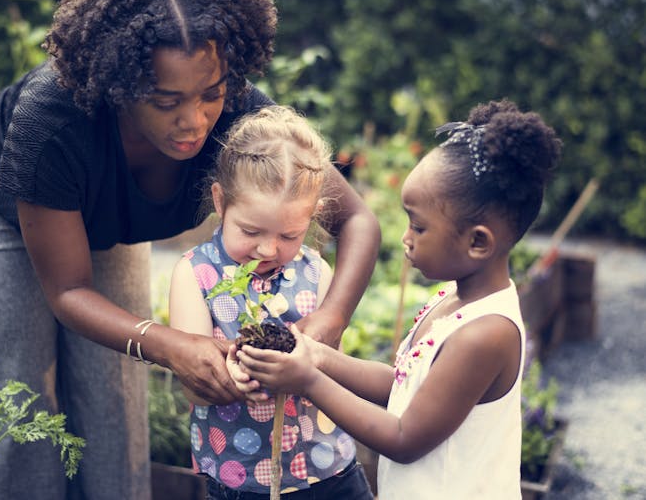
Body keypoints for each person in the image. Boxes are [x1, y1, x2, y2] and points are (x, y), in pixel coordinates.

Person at [0, 0, 381, 499]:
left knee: (115, 402)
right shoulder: (51, 121)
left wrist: (327, 323)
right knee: (16, 399)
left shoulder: (240, 116)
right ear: (119, 89)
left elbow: (359, 221)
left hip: (107, 224)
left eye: (209, 95)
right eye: (166, 102)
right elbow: (67, 292)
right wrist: (173, 345)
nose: (195, 122)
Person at [231, 100, 562, 499]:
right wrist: (319, 357)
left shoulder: (485, 334)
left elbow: (405, 438)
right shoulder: (453, 300)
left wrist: (309, 381)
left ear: (478, 242)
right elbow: (401, 387)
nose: (405, 237)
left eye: (418, 226)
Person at [169, 105, 375, 499]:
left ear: (312, 217)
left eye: (290, 235)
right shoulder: (195, 274)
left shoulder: (316, 273)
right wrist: (231, 376)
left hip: (328, 469)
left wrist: (310, 362)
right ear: (220, 201)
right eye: (250, 231)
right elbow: (193, 385)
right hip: (242, 477)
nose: (267, 248)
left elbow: (334, 366)